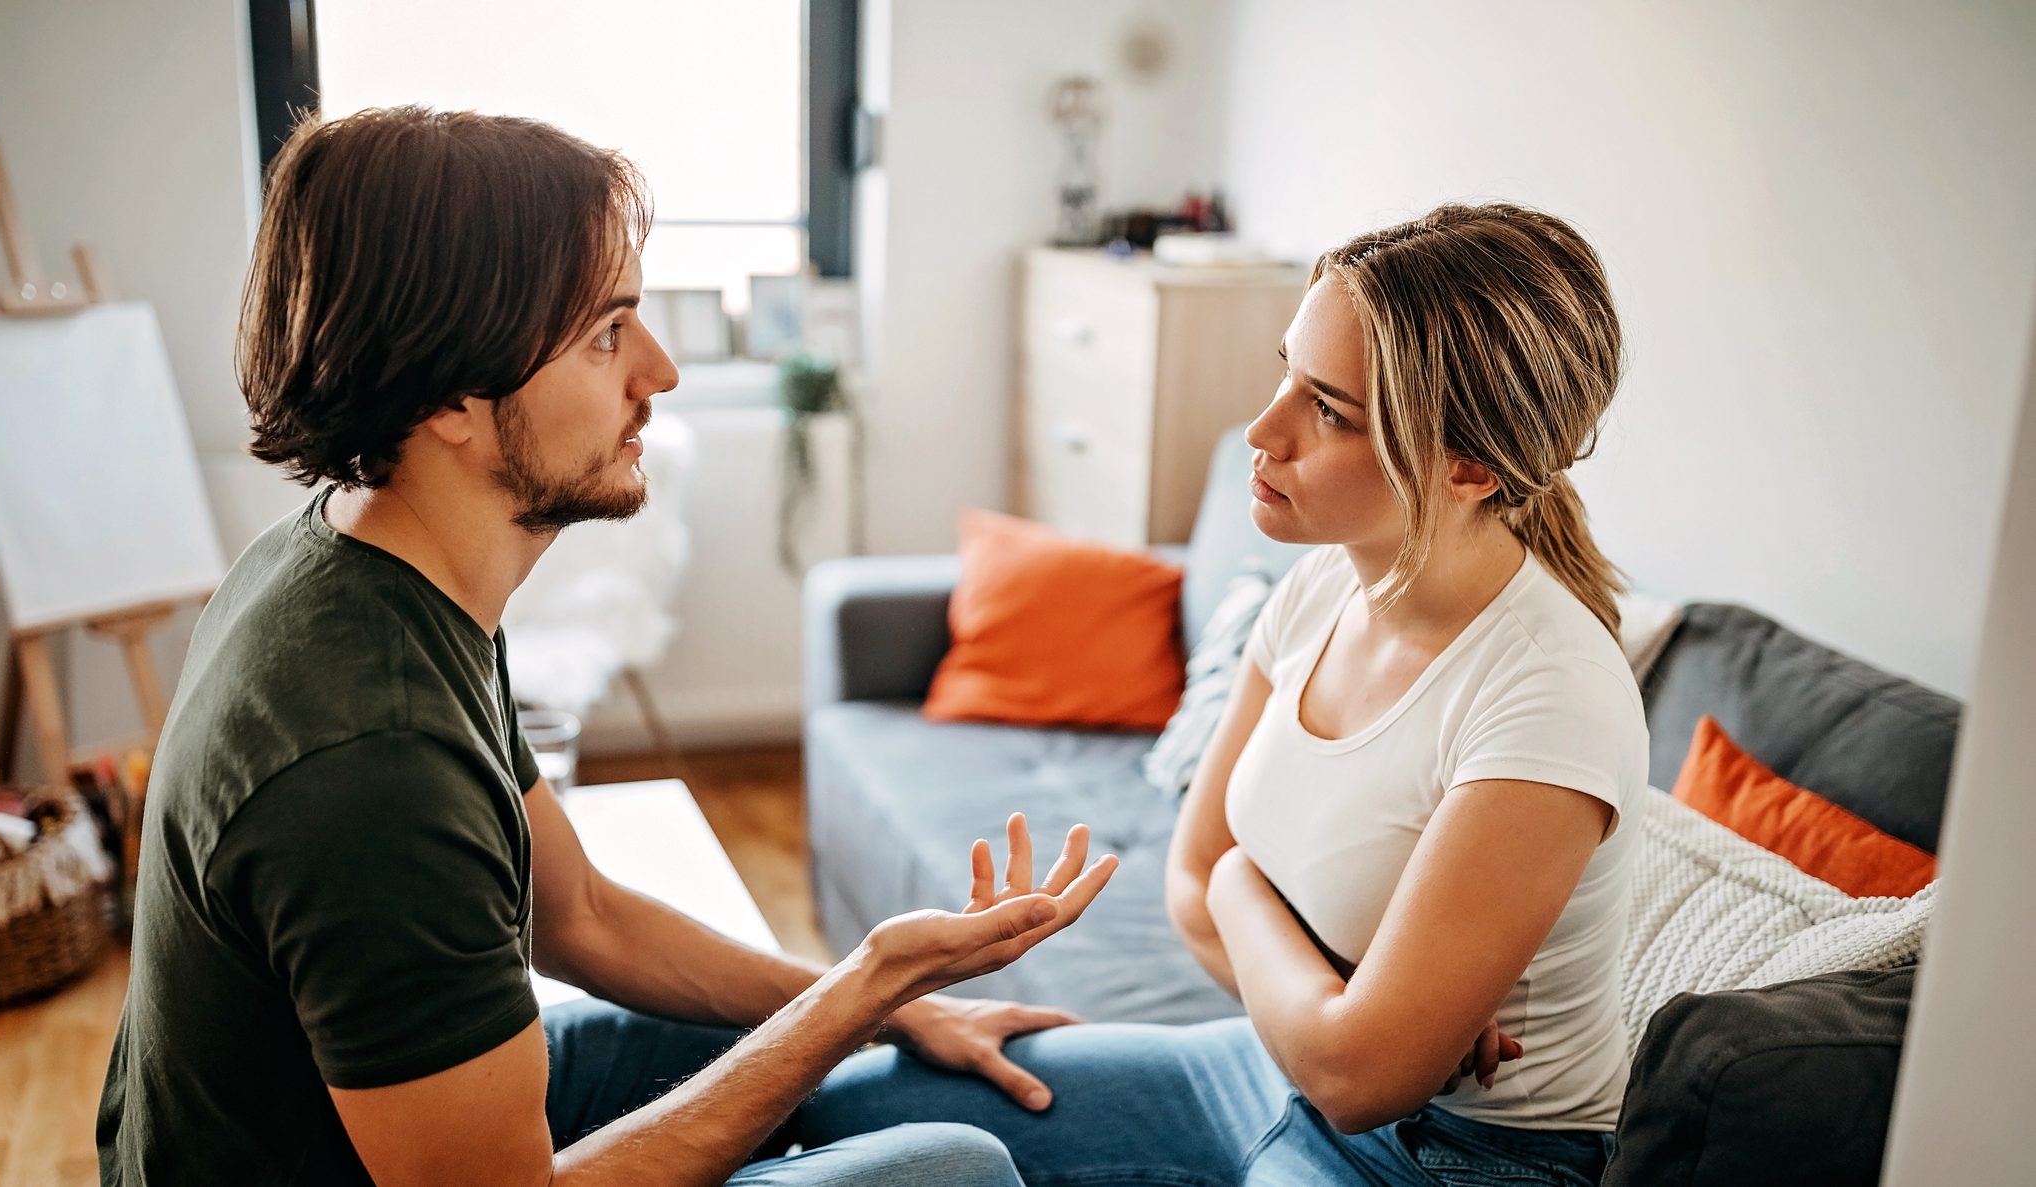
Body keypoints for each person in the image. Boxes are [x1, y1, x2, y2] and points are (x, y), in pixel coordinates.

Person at [95, 106, 1118, 1187]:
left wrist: (880, 999)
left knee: (831, 1062)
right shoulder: (373, 760)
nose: (661, 371)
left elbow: (579, 913)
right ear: (450, 392)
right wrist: (864, 985)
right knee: (952, 1170)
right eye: (606, 332)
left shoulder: (374, 572)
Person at [792, 203, 1649, 1186]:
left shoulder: (1547, 694)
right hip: (1257, 1064)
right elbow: (1189, 885)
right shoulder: (1319, 584)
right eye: (1285, 371)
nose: (1261, 427)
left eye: (1325, 408)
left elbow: (1354, 1070)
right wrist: (1329, 988)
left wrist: (1256, 893)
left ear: (1468, 465)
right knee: (826, 1109)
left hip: (1452, 1159)